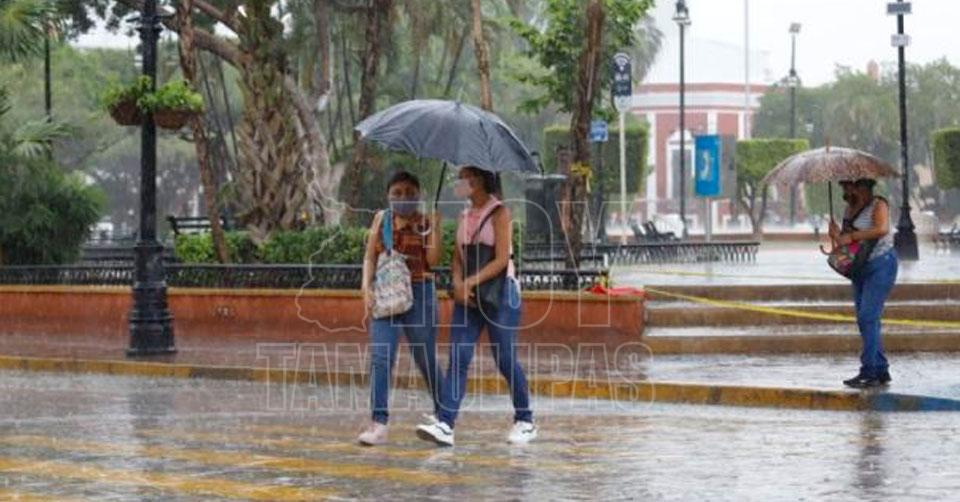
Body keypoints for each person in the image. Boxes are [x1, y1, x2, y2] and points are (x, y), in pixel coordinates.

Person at [415, 166, 536, 446]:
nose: (458, 181)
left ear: (478, 180)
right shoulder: (464, 215)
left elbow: (502, 259)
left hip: (500, 294)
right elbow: (458, 257)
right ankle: (446, 423)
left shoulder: (500, 213)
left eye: (464, 176)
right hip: (468, 298)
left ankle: (525, 419)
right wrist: (459, 283)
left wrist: (470, 282)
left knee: (505, 358)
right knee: (458, 356)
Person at [357, 171, 443, 445]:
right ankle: (378, 422)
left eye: (409, 193)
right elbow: (370, 256)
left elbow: (433, 261)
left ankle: (444, 415)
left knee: (425, 358)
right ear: (388, 195)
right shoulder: (381, 219)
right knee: (381, 357)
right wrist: (366, 287)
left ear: (419, 195)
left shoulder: (426, 222)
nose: (403, 197)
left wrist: (436, 228)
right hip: (386, 294)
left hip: (420, 295)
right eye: (397, 193)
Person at [829, 178, 898, 389]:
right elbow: (846, 240)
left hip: (881, 264)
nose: (845, 192)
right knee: (865, 319)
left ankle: (869, 372)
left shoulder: (878, 204)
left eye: (848, 187)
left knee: (868, 317)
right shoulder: (849, 210)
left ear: (862, 188)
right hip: (859, 267)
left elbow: (881, 229)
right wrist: (836, 235)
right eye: (843, 187)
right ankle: (880, 368)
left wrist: (851, 236)